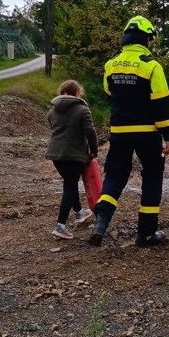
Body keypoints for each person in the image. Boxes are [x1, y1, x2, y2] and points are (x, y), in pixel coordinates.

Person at [88, 15, 169, 247]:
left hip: (119, 131)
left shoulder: (111, 65)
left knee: (116, 175)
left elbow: (110, 95)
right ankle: (146, 234)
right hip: (147, 134)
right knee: (152, 177)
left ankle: (101, 221)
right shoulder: (151, 66)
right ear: (146, 39)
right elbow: (161, 103)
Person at [46, 79, 99, 239]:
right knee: (69, 186)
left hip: (56, 154)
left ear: (62, 93)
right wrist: (94, 151)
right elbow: (90, 132)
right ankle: (60, 225)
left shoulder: (52, 112)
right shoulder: (82, 110)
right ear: (77, 94)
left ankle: (79, 212)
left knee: (70, 183)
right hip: (74, 155)